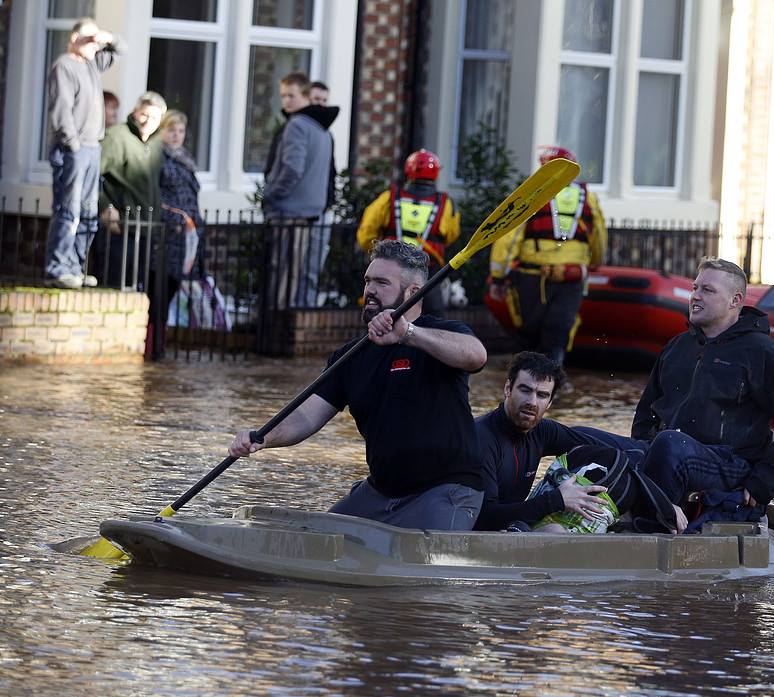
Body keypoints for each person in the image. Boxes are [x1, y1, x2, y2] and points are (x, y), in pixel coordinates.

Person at [228, 240, 487, 530]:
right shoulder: (349, 357)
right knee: (317, 538)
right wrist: (262, 437)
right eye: (368, 281)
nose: (370, 290)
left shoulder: (441, 334)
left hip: (446, 490)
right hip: (381, 491)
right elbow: (305, 416)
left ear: (413, 293)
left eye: (381, 282)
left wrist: (409, 334)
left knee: (423, 568)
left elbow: (476, 355)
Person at [633, 258, 774, 518]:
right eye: (695, 288)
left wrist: (764, 483)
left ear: (735, 301)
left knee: (669, 443)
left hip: (731, 465)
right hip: (668, 456)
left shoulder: (762, 352)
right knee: (592, 440)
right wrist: (639, 451)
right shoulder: (677, 347)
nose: (696, 296)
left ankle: (648, 525)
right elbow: (647, 413)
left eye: (707, 290)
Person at [488, 145, 607, 365]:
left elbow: (510, 237)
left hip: (532, 277)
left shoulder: (532, 193)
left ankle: (522, 383)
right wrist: (594, 263)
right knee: (557, 337)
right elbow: (598, 236)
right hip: (571, 277)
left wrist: (499, 276)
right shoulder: (588, 197)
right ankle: (552, 389)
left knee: (527, 336)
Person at [473, 352, 611, 531]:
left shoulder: (541, 431)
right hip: (477, 535)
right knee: (554, 531)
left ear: (550, 402)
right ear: (508, 388)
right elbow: (484, 516)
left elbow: (599, 447)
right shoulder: (481, 438)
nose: (532, 402)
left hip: (512, 525)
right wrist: (556, 500)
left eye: (542, 395)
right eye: (525, 390)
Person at [42, 18, 123, 289]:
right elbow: (61, 110)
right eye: (87, 38)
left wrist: (105, 36)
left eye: (94, 39)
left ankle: (75, 267)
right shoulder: (64, 66)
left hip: (92, 147)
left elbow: (120, 49)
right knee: (68, 209)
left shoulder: (91, 65)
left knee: (89, 211)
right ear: (73, 38)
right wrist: (73, 144)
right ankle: (57, 268)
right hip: (72, 149)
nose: (93, 43)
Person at [262, 72, 339, 308]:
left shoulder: (297, 125)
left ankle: (277, 323)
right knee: (295, 271)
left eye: (290, 95)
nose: (285, 101)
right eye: (283, 96)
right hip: (309, 212)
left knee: (282, 270)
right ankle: (287, 320)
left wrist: (271, 194)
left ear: (305, 96)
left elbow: (292, 169)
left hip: (289, 210)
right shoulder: (323, 130)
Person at [357, 149, 461, 317]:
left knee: (381, 315)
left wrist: (378, 254)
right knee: (434, 317)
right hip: (428, 270)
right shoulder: (445, 203)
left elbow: (366, 232)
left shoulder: (389, 197)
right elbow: (451, 234)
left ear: (408, 171)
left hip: (392, 267)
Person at [96, 91, 167, 286]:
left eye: (154, 117)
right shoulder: (117, 137)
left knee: (137, 292)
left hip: (147, 229)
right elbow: (91, 174)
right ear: (135, 112)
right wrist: (105, 206)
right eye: (144, 115)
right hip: (120, 229)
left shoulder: (157, 144)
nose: (147, 121)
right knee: (113, 288)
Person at [155, 110, 209, 350]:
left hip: (188, 235)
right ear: (162, 131)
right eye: (171, 130)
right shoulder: (158, 158)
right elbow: (155, 196)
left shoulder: (185, 160)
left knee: (174, 288)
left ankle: (161, 339)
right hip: (169, 234)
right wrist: (173, 219)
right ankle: (154, 342)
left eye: (180, 131)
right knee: (161, 289)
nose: (176, 135)